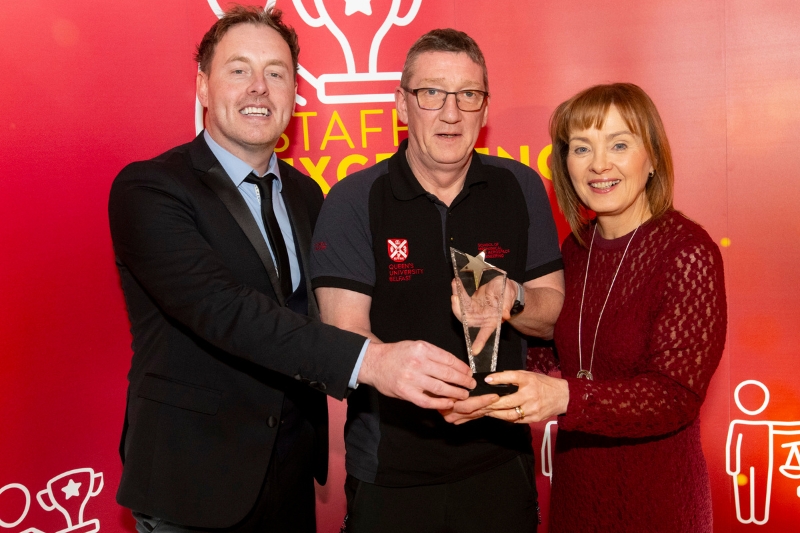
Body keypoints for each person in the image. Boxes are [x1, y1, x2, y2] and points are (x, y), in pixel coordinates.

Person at [108, 7, 475, 533]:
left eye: (276, 73)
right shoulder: (150, 189)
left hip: (291, 475)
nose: (259, 87)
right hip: (191, 478)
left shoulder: (308, 194)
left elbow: (330, 309)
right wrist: (373, 361)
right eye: (239, 69)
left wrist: (446, 369)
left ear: (294, 93)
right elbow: (223, 310)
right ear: (204, 86)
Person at [309, 29, 565, 533]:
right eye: (431, 93)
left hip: (501, 461)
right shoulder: (354, 199)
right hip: (391, 474)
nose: (452, 113)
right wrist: (436, 395)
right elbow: (344, 335)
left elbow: (552, 316)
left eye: (468, 95)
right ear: (402, 105)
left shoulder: (520, 186)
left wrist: (512, 297)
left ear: (485, 109)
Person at [455, 83, 727, 532]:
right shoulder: (576, 248)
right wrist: (477, 387)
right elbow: (556, 357)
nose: (599, 164)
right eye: (582, 148)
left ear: (653, 158)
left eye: (619, 144)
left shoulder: (687, 252)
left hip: (657, 502)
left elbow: (674, 396)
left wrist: (564, 396)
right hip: (578, 495)